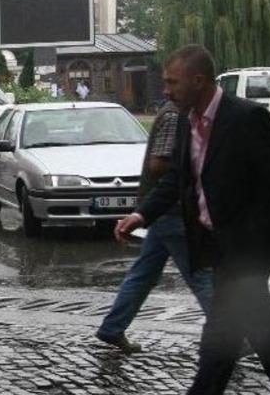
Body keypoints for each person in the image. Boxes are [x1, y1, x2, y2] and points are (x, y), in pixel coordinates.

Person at [115, 44, 270, 394]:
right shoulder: (185, 121)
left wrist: (259, 245)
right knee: (240, 339)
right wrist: (141, 214)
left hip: (247, 254)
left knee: (222, 344)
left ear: (199, 81)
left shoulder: (247, 118)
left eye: (172, 82)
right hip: (216, 249)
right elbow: (178, 178)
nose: (166, 90)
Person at [95, 100, 213, 353]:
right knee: (201, 274)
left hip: (164, 210)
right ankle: (232, 336)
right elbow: (159, 164)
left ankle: (112, 327)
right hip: (173, 210)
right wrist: (197, 163)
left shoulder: (180, 113)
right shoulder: (175, 116)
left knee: (144, 274)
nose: (168, 89)